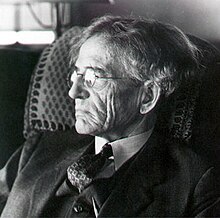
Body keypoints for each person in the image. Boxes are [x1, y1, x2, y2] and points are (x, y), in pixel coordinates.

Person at [0, 15, 220, 217]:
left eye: (93, 77)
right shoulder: (40, 149)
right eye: (77, 74)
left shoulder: (195, 182)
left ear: (147, 97)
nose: (73, 92)